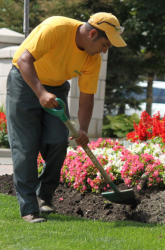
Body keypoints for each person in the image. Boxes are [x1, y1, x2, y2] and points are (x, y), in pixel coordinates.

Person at [6, 12, 126, 223]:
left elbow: (87, 98)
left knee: (58, 140)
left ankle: (44, 195)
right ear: (93, 33)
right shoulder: (55, 27)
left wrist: (83, 130)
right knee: (25, 146)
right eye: (105, 44)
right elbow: (25, 59)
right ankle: (29, 208)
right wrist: (41, 93)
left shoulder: (93, 58)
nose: (105, 50)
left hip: (57, 87)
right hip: (25, 80)